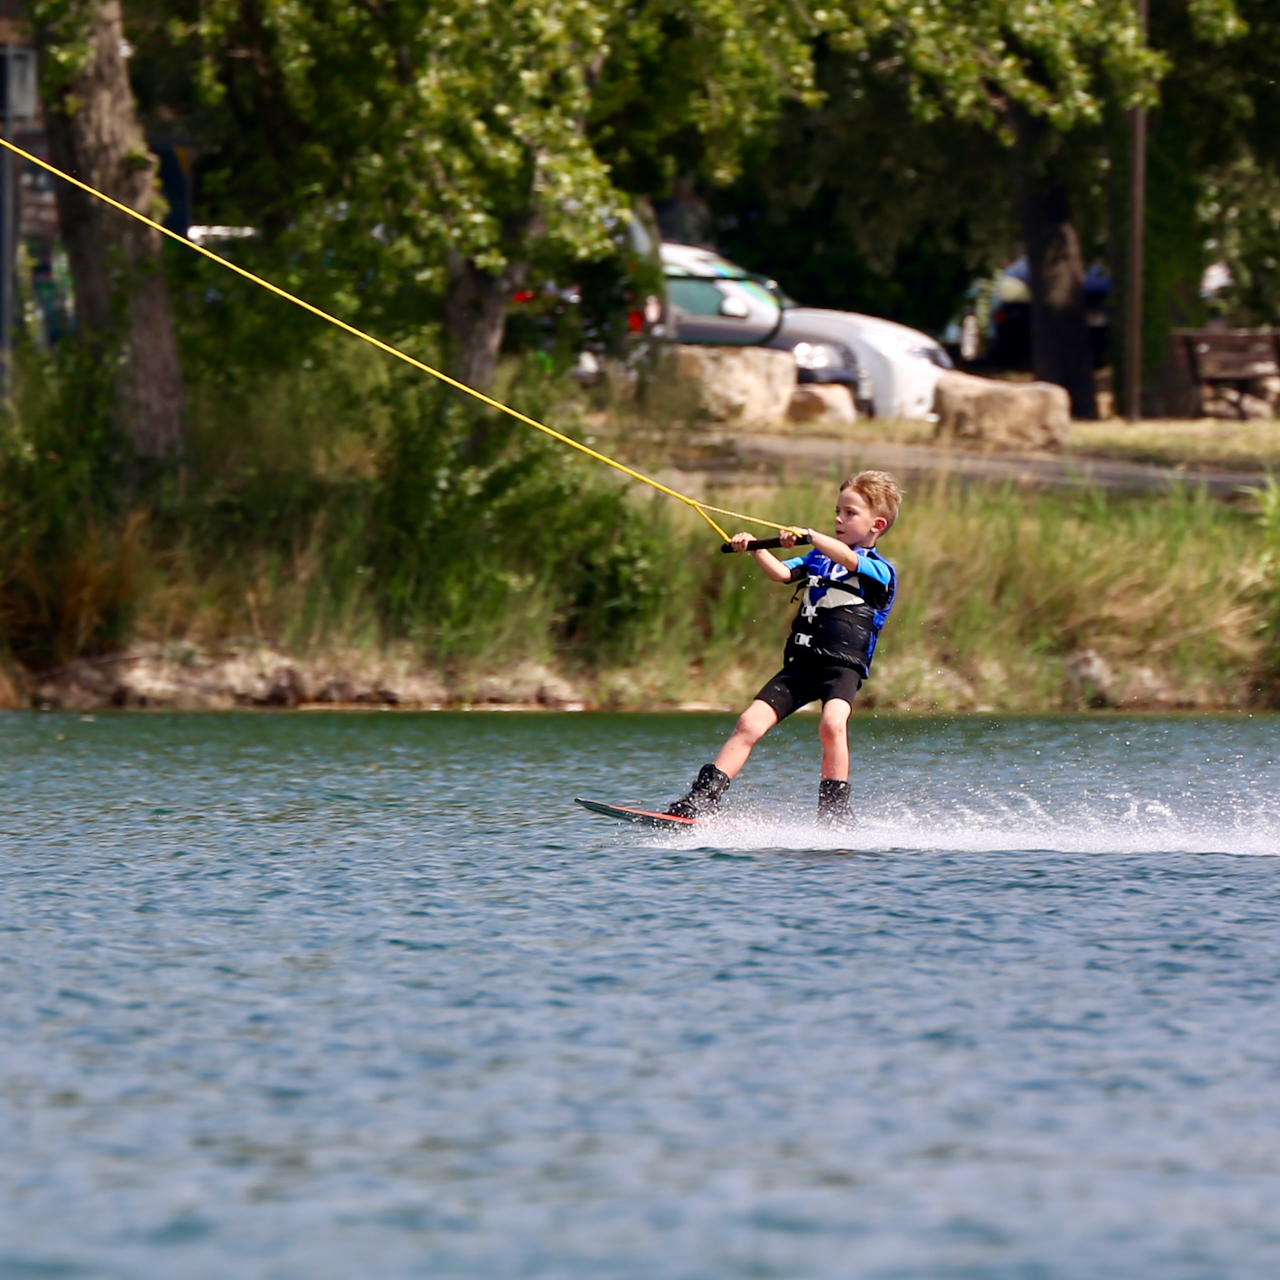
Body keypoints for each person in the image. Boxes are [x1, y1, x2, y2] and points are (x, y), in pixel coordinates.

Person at [667, 470, 901, 824]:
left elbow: (847, 558)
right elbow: (780, 573)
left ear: (877, 525)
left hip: (842, 668)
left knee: (832, 724)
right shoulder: (816, 558)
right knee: (748, 722)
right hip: (802, 665)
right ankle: (701, 800)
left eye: (850, 513)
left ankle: (834, 814)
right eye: (837, 511)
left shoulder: (881, 571)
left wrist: (810, 535)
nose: (839, 518)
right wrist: (755, 547)